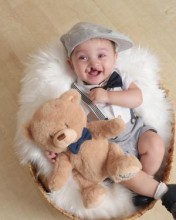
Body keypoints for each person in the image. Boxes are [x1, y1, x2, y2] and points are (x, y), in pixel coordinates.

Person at [46, 22, 176, 219]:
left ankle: (143, 184)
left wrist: (109, 97)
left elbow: (136, 98)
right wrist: (58, 148)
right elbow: (70, 124)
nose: (93, 62)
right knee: (121, 170)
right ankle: (152, 189)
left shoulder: (120, 77)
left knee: (155, 145)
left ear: (115, 57)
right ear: (70, 64)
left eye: (101, 55)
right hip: (107, 148)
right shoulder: (73, 94)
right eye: (82, 57)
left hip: (135, 130)